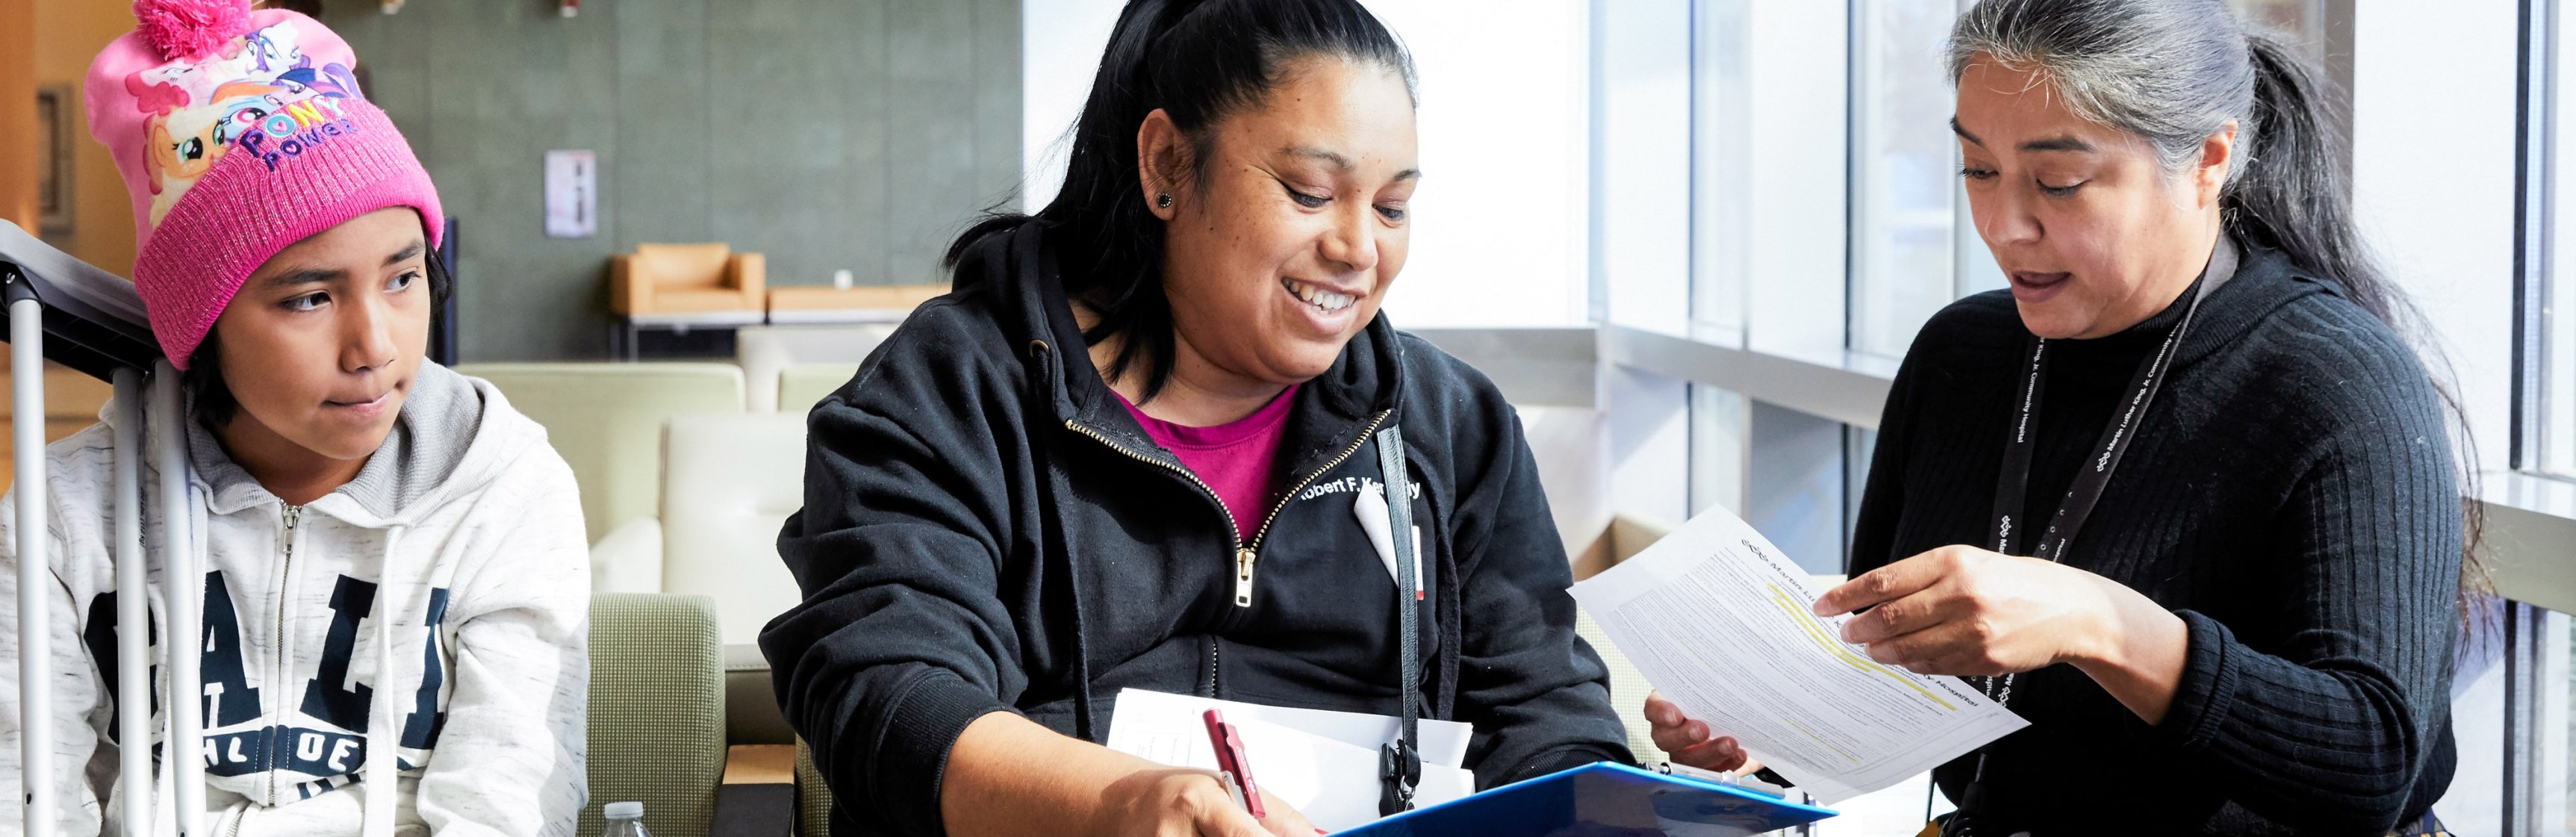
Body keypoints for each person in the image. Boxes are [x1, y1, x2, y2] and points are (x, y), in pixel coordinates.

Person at [762, 1, 1633, 835]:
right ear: (1167, 165)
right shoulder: (954, 390)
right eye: (1308, 191)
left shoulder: (1452, 428)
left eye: (1392, 206)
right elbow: (891, 691)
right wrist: (1115, 809)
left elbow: (1547, 723)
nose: (1360, 248)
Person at [1648, 1, 2469, 834]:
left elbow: (2377, 764)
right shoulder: (1960, 354)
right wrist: (1764, 734)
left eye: (2059, 182)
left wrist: (2099, 623)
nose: (2005, 226)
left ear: (2208, 159)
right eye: (1977, 170)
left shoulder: (2334, 378)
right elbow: (1883, 661)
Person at [0, 2, 591, 835]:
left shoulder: (501, 491)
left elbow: (509, 803)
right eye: (310, 297)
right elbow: (27, 800)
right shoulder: (65, 519)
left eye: (402, 277)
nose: (374, 347)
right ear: (202, 324)